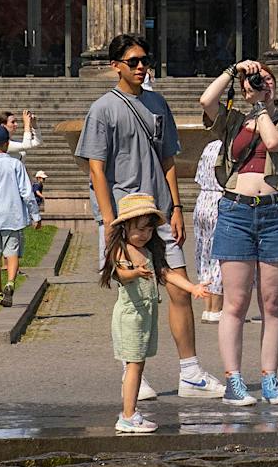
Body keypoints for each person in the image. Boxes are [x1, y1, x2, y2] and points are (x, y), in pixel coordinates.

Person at [75, 32, 225, 400]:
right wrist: (112, 224)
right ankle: (133, 374)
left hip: (158, 212)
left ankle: (190, 371)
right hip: (125, 215)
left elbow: (168, 159)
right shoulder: (103, 109)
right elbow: (95, 168)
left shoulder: (158, 103)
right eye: (133, 62)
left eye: (145, 60)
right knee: (134, 297)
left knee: (178, 288)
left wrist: (176, 207)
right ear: (115, 67)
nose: (142, 67)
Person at [198, 59, 278, 406]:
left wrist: (263, 107)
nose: (258, 84)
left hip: (276, 214)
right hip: (236, 211)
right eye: (252, 82)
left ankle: (269, 378)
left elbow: (275, 144)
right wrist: (233, 71)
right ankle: (233, 380)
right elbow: (205, 101)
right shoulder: (232, 121)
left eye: (264, 79)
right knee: (236, 302)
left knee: (273, 304)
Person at [102, 191, 213, 434]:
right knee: (133, 366)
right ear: (125, 227)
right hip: (130, 317)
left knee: (138, 366)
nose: (144, 235)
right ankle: (128, 415)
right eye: (139, 229)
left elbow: (168, 273)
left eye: (149, 230)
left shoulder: (150, 253)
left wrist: (192, 287)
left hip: (145, 317)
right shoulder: (123, 250)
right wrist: (135, 273)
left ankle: (130, 413)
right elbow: (119, 274)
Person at [0, 123, 40, 307]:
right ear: (7, 143)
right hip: (13, 215)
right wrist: (35, 215)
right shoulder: (16, 164)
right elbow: (26, 192)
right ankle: (10, 283)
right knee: (12, 254)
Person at [190, 135, 226, 322]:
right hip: (220, 200)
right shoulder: (231, 146)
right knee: (221, 255)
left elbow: (199, 177)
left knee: (204, 253)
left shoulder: (209, 146)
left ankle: (207, 307)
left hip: (203, 200)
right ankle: (217, 307)